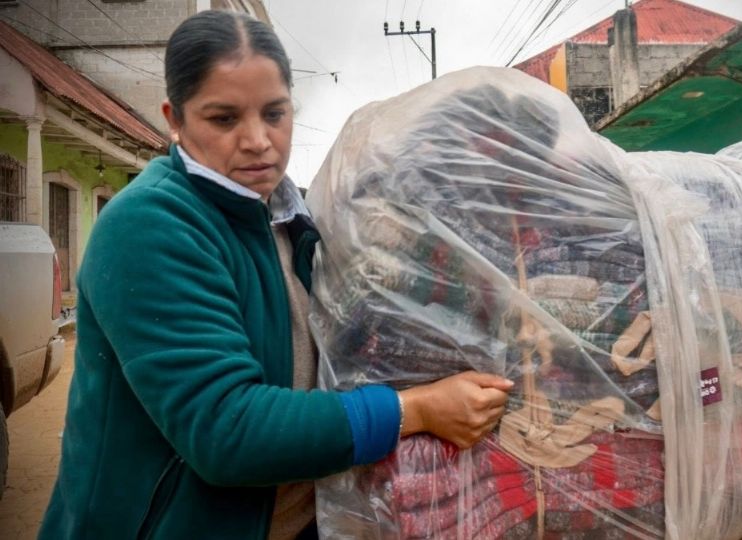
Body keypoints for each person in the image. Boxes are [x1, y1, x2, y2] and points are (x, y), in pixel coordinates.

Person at [39, 11, 513, 540]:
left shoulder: (292, 219)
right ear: (175, 118)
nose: (258, 140)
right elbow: (227, 429)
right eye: (224, 119)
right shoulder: (149, 226)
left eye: (274, 113)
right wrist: (416, 409)